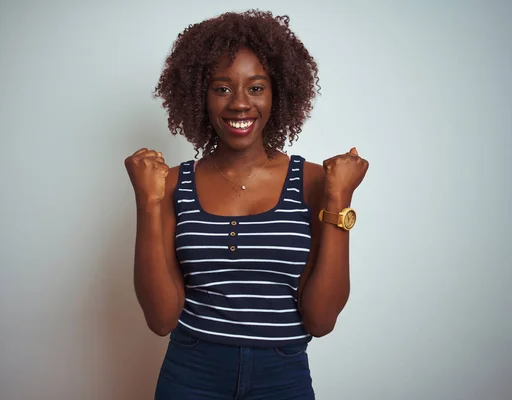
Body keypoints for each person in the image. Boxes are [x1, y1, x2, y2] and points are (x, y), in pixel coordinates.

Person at [124, 9, 369, 400]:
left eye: (256, 87)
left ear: (279, 92)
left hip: (282, 377)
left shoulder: (315, 183)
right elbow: (160, 318)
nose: (240, 103)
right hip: (190, 375)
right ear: (199, 94)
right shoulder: (170, 183)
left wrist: (339, 200)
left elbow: (320, 321)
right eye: (222, 88)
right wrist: (147, 203)